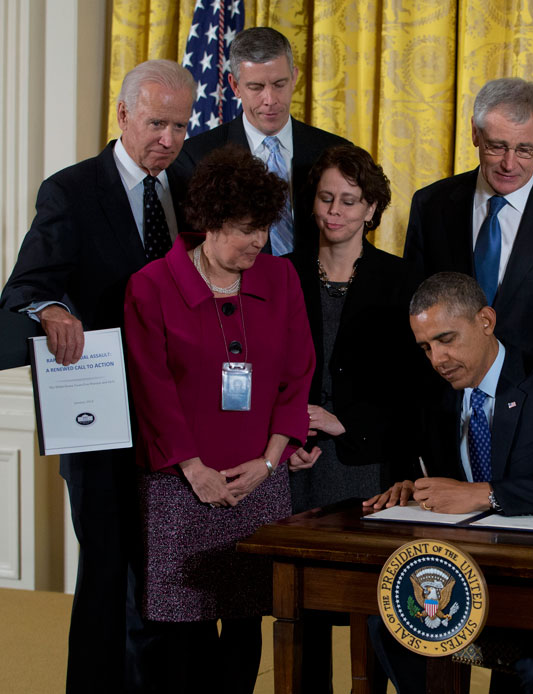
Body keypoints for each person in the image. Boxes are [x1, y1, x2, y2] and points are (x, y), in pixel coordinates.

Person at [0, 59, 194, 693]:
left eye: (181, 126)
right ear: (123, 114)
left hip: (182, 419)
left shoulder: (195, 183)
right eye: (157, 123)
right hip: (98, 416)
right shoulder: (71, 191)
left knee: (172, 578)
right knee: (108, 573)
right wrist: (51, 307)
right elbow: (26, 288)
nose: (168, 139)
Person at [364, 271, 533, 693]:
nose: (437, 359)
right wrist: (413, 488)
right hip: (468, 577)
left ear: (485, 321)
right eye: (426, 347)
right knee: (388, 625)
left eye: (447, 339)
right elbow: (435, 477)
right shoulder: (433, 396)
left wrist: (483, 495)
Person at [123, 145, 315, 693]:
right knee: (185, 628)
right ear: (208, 221)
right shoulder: (152, 287)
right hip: (181, 484)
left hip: (259, 479)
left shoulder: (279, 280)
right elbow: (151, 388)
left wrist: (271, 462)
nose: (257, 241)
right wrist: (193, 469)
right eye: (243, 228)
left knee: (247, 619)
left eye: (264, 228)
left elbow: (298, 374)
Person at [285, 143, 422, 693]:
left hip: (367, 464)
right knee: (303, 609)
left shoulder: (402, 280)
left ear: (371, 209)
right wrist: (283, 434)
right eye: (325, 198)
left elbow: (416, 389)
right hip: (296, 462)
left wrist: (347, 422)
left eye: (349, 200)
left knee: (377, 610)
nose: (335, 211)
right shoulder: (280, 273)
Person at [403, 77, 533, 421]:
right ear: (475, 134)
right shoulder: (432, 206)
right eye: (497, 146)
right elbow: (412, 319)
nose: (509, 163)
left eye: (525, 149)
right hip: (446, 413)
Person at [170, 26, 349, 256]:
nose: (270, 100)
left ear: (294, 77)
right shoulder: (195, 158)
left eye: (279, 84)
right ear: (235, 86)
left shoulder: (334, 151)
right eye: (256, 87)